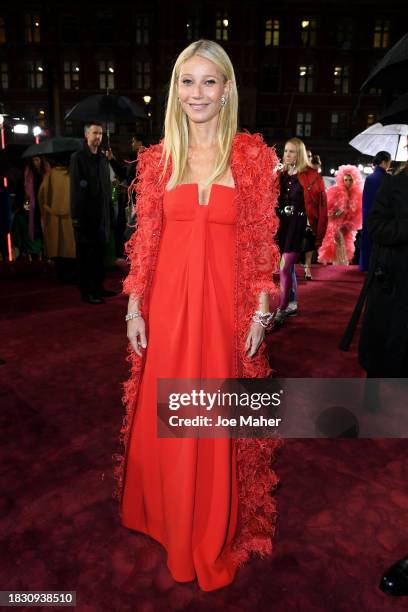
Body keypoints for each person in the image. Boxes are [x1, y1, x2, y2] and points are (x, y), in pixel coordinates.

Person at [114, 39, 281, 592]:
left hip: (223, 315)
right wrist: (135, 307)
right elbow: (145, 244)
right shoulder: (158, 159)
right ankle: (166, 519)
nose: (197, 94)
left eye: (209, 82)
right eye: (187, 82)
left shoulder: (253, 159)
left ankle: (207, 531)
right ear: (174, 89)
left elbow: (262, 249)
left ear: (227, 88)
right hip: (168, 310)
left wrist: (260, 316)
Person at [275, 137, 327, 324]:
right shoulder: (281, 175)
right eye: (285, 151)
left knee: (284, 267)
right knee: (286, 269)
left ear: (300, 154)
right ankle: (293, 303)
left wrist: (319, 234)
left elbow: (321, 208)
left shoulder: (312, 176)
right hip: (282, 225)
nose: (287, 155)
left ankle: (281, 309)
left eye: (291, 151)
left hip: (297, 226)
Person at [69, 122, 117, 304]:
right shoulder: (78, 158)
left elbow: (105, 188)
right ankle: (86, 291)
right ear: (86, 135)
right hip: (84, 216)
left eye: (101, 134)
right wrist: (76, 217)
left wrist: (109, 213)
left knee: (98, 255)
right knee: (85, 256)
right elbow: (75, 188)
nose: (98, 137)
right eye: (95, 133)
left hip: (101, 216)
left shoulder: (103, 159)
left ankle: (98, 287)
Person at [38, 154, 76, 282]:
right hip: (70, 217)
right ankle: (72, 274)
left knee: (57, 246)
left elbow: (41, 195)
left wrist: (45, 211)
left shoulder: (49, 175)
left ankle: (61, 275)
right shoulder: (73, 174)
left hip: (53, 217)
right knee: (70, 246)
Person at [318, 165, 362, 266]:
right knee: (340, 241)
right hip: (335, 224)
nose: (348, 182)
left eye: (350, 180)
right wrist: (338, 212)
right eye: (345, 179)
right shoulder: (335, 191)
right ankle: (342, 265)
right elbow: (327, 211)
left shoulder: (356, 194)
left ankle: (339, 265)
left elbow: (357, 212)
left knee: (343, 244)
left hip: (346, 225)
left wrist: (350, 215)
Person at [359, 151, 392, 272]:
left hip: (368, 215)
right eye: (389, 162)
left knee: (368, 240)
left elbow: (365, 199)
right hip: (384, 216)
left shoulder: (369, 178)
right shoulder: (388, 178)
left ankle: (366, 265)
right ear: (384, 162)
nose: (389, 164)